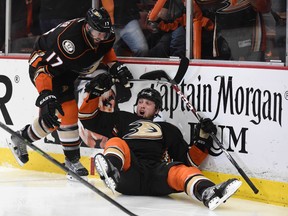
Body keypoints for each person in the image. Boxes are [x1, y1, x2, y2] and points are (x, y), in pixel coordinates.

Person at [78, 78, 242, 210]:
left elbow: (189, 161)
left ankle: (207, 192)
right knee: (116, 142)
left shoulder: (168, 129)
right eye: (141, 101)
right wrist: (93, 95)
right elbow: (89, 120)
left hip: (156, 175)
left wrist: (203, 138)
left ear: (157, 110)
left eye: (148, 103)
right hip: (127, 174)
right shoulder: (122, 119)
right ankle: (111, 169)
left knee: (180, 170)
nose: (142, 105)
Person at [8, 7, 133, 179]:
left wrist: (114, 65)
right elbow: (44, 68)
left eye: (103, 34)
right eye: (97, 33)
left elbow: (105, 49)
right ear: (87, 27)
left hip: (68, 70)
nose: (100, 38)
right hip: (43, 68)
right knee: (67, 112)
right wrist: (45, 94)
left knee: (55, 120)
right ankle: (72, 161)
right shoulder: (69, 41)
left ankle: (21, 137)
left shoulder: (105, 35)